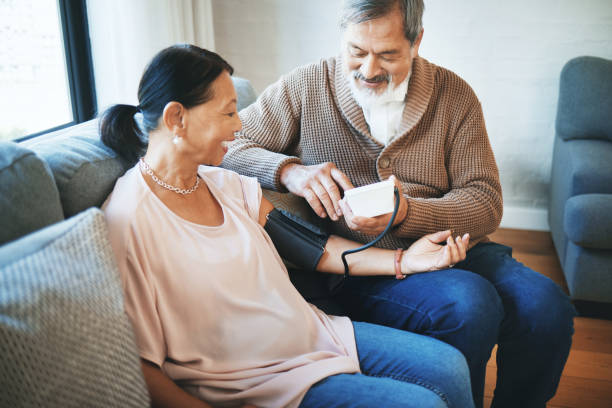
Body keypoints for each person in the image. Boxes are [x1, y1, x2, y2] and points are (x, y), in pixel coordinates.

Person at [220, 1, 577, 407]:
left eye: (387, 54)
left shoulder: (453, 95)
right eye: (356, 51)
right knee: (468, 303)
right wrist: (289, 171)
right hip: (360, 266)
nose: (369, 70)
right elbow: (226, 145)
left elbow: (485, 201)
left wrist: (406, 213)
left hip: (452, 246)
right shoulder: (305, 86)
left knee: (546, 307)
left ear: (416, 41)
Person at [100, 44, 475, 408]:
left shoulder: (223, 184)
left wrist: (404, 261)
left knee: (450, 367)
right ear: (176, 118)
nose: (239, 124)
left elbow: (315, 248)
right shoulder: (129, 220)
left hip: (314, 336)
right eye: (228, 113)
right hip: (257, 382)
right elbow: (140, 366)